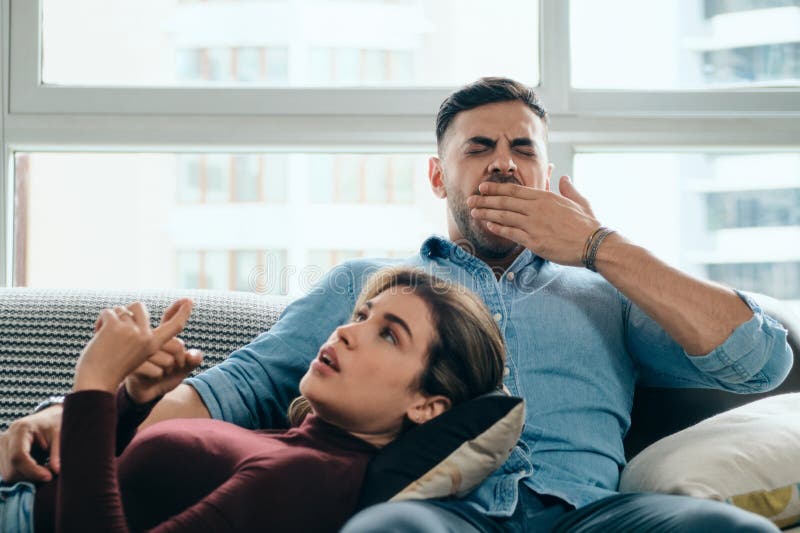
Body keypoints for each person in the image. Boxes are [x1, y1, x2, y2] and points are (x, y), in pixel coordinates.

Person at [1, 77, 793, 532]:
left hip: (591, 514)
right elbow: (233, 386)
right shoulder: (366, 287)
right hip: (441, 513)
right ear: (437, 175)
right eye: (479, 147)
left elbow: (760, 359)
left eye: (524, 149)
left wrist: (598, 245)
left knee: (728, 532)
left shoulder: (605, 288)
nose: (504, 165)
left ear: (550, 175)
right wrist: (70, 422)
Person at [1, 267, 506, 532]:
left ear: (428, 406)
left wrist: (92, 384)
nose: (347, 332)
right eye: (360, 315)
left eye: (389, 335)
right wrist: (131, 400)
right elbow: (127, 491)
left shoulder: (309, 478)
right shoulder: (303, 445)